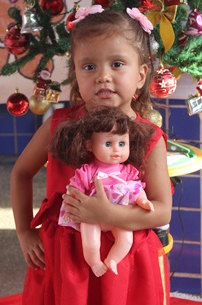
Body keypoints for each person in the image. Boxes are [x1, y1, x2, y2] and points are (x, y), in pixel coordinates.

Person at [10, 6, 172, 305]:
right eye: (89, 65)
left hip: (127, 264)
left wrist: (108, 215)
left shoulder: (148, 137)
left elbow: (161, 210)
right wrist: (25, 233)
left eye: (117, 64)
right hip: (66, 261)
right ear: (74, 74)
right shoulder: (60, 125)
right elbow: (21, 173)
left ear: (141, 74)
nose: (103, 76)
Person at [50, 107, 155, 277]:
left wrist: (143, 201)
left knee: (126, 239)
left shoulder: (127, 171)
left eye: (122, 144)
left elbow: (136, 189)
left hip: (119, 216)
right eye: (108, 144)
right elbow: (75, 192)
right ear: (89, 145)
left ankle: (113, 259)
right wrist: (71, 209)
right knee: (91, 242)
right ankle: (94, 262)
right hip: (91, 216)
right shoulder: (87, 171)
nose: (116, 150)